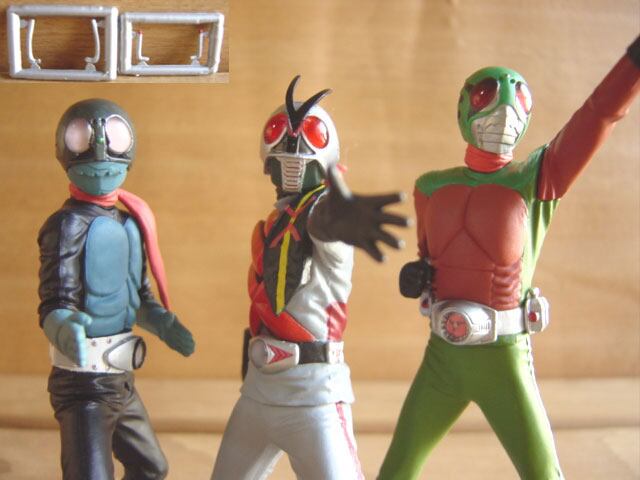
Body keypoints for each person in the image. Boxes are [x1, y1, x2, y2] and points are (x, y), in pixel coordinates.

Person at [379, 37, 640, 479]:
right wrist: (416, 275)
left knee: (542, 472)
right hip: (442, 356)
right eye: (487, 95)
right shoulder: (430, 187)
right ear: (464, 108)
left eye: (519, 99)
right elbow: (430, 260)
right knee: (396, 469)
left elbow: (598, 115)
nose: (504, 109)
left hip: (504, 357)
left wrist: (632, 64)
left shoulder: (536, 178)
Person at [211, 76, 407, 479]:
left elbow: (322, 222)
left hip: (313, 395)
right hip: (259, 391)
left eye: (309, 135)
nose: (293, 147)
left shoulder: (319, 214)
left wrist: (341, 214)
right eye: (281, 134)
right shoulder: (275, 223)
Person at [38, 99, 195, 480]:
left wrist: (162, 322)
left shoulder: (131, 223)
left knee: (151, 467)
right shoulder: (66, 225)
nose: (101, 153)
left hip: (121, 381)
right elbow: (54, 299)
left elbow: (137, 296)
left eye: (114, 138)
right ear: (65, 149)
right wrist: (63, 325)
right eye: (83, 138)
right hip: (82, 383)